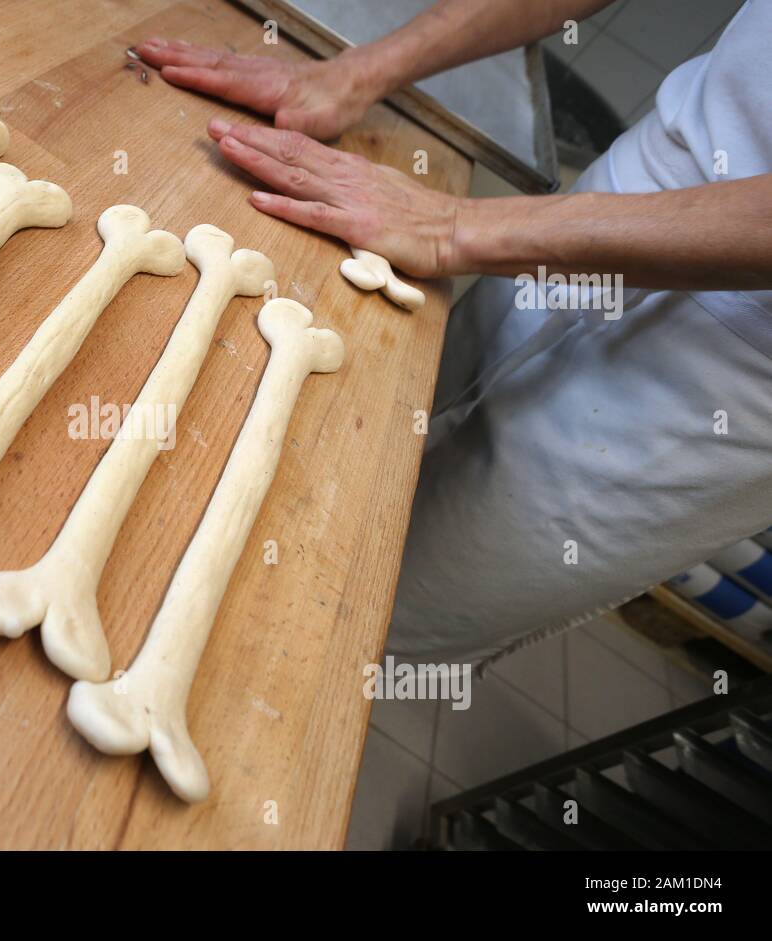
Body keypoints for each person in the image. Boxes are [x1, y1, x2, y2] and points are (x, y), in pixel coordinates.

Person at [137, 0, 772, 665]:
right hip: (628, 193)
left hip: (729, 387)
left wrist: (452, 229)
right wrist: (354, 75)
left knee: (351, 621)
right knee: (340, 451)